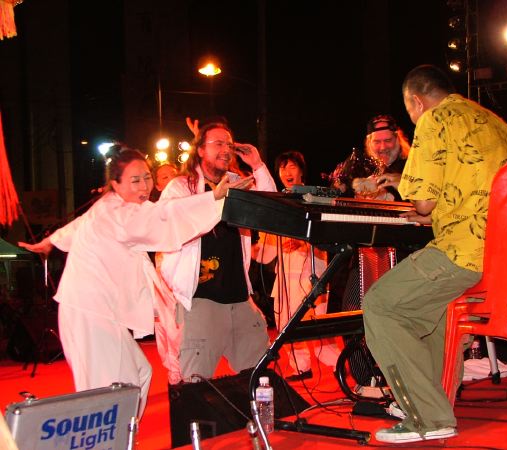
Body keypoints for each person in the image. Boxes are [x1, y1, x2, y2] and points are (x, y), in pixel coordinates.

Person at [18, 145, 252, 417]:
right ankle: (109, 436)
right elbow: (167, 215)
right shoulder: (121, 214)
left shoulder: (109, 206)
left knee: (138, 375)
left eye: (146, 177)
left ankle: (123, 434)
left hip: (97, 313)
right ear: (115, 184)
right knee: (111, 391)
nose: (144, 186)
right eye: (135, 180)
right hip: (90, 313)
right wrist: (215, 198)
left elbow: (77, 226)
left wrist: (49, 241)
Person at [362, 64, 507, 444]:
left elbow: (423, 202)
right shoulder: (502, 127)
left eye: (410, 111)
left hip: (468, 252)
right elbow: (479, 193)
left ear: (417, 102)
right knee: (432, 309)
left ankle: (427, 414)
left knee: (381, 305)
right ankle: (432, 401)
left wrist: (422, 208)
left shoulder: (436, 119)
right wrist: (432, 214)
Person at [155, 121, 277, 384]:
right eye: (218, 143)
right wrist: (214, 198)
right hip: (201, 299)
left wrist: (257, 165)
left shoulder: (237, 183)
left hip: (239, 298)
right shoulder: (181, 187)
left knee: (260, 379)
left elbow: (271, 211)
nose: (226, 149)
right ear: (200, 150)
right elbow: (172, 223)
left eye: (229, 144)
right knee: (196, 384)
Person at [253, 151, 339, 381]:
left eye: (292, 167)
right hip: (286, 274)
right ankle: (300, 366)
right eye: (283, 168)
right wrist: (248, 248)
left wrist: (302, 242)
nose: (287, 172)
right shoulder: (277, 202)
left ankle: (336, 361)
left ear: (301, 171)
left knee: (315, 321)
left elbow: (326, 233)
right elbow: (266, 250)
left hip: (312, 270)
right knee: (286, 321)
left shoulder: (313, 198)